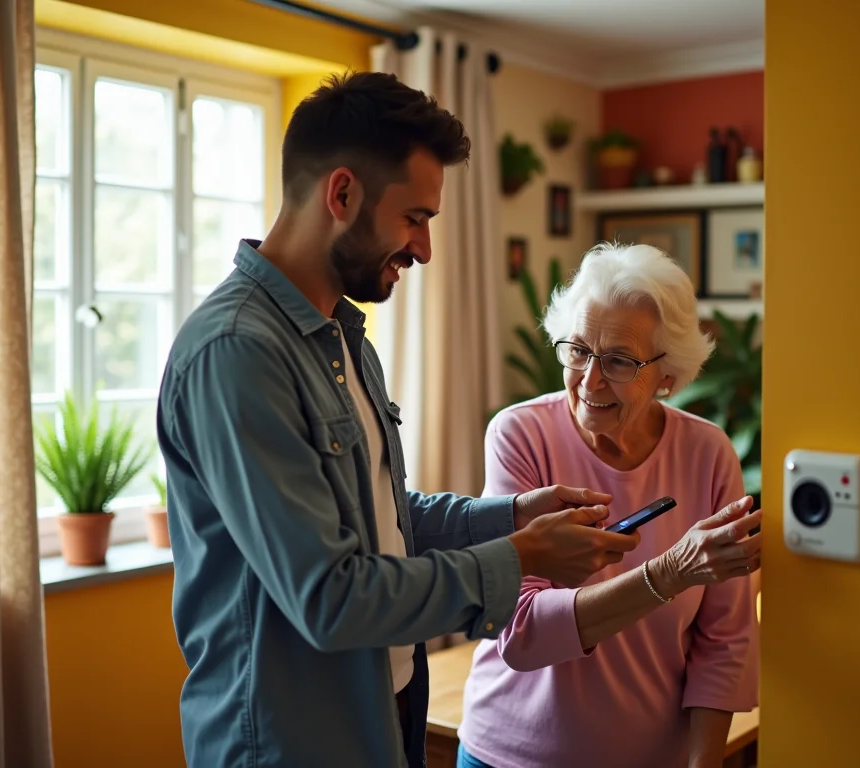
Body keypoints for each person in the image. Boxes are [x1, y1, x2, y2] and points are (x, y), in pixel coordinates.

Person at [155, 72, 639, 768]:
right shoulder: (238, 354)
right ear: (342, 193)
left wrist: (510, 517)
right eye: (415, 218)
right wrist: (524, 559)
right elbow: (330, 596)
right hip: (287, 746)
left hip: (380, 724)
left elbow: (380, 516)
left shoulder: (347, 341)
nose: (426, 249)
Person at [456, 242, 764, 768]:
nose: (591, 380)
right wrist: (668, 574)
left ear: (668, 373)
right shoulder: (521, 435)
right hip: (508, 756)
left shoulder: (708, 453)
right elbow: (521, 632)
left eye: (619, 361)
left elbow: (725, 640)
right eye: (578, 350)